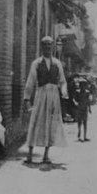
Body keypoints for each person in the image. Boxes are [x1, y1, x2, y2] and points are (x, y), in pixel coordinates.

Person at [23, 36, 68, 165]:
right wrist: (27, 99)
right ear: (41, 47)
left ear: (53, 46)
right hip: (41, 94)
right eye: (45, 44)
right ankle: (30, 154)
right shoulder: (36, 63)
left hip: (54, 95)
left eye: (50, 44)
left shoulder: (57, 63)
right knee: (35, 121)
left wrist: (64, 92)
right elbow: (30, 81)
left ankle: (46, 155)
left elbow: (63, 81)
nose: (48, 47)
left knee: (51, 123)